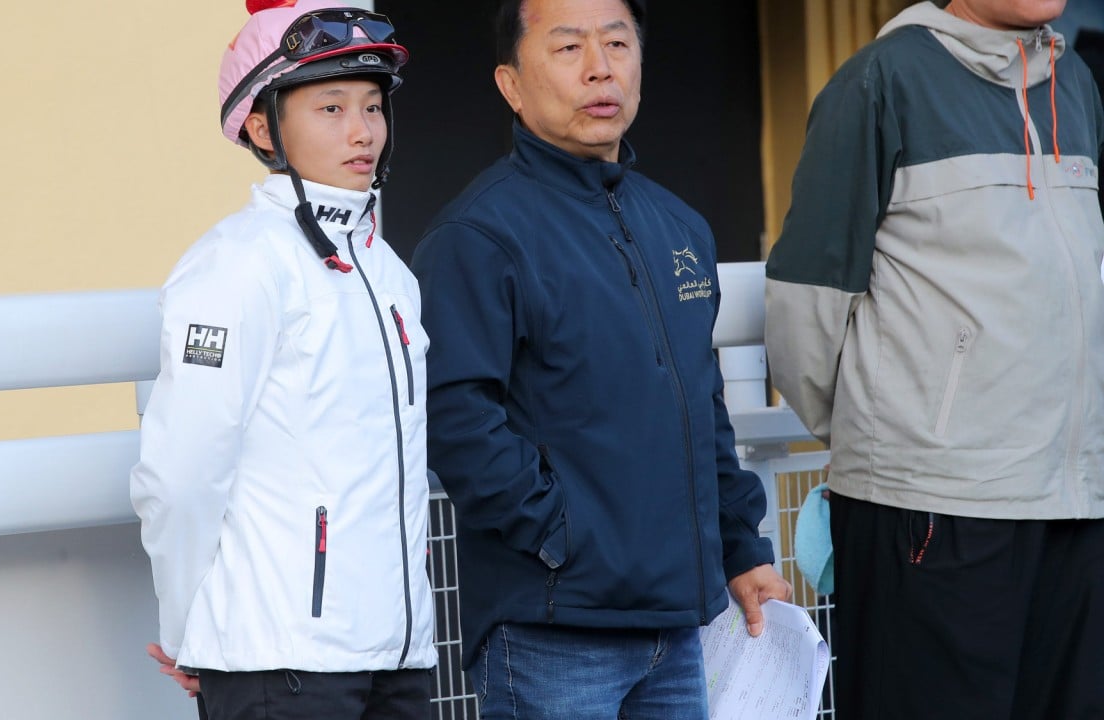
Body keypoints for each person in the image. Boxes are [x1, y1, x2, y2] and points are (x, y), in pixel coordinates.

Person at [410, 0, 791, 717]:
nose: (600, 67)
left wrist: (742, 546)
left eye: (617, 42)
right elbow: (454, 418)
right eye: (568, 48)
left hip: (677, 627)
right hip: (554, 626)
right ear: (510, 85)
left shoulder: (677, 225)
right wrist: (563, 537)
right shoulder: (478, 235)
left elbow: (699, 402)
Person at [765, 0, 1104, 717]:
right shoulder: (882, 80)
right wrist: (902, 433)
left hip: (1072, 499)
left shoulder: (1073, 84)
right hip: (933, 506)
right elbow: (806, 306)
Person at [129, 2, 436, 718]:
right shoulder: (236, 266)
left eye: (371, 106)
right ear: (263, 126)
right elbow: (181, 472)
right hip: (280, 665)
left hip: (398, 658)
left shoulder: (390, 271)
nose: (362, 131)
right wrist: (190, 631)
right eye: (330, 107)